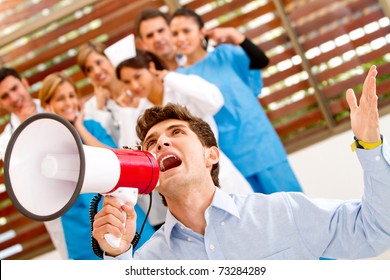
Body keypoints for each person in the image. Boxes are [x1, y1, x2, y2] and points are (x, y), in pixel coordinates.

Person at [92, 65, 390, 260]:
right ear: (150, 173)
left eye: (176, 132)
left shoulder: (283, 213)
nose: (161, 143)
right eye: (151, 144)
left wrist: (371, 146)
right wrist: (117, 258)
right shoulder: (147, 261)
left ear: (212, 155)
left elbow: (375, 230)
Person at [169, 8, 302, 194]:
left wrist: (233, 34)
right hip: (228, 156)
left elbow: (260, 60)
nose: (180, 38)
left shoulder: (225, 55)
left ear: (201, 32)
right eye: (175, 33)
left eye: (186, 31)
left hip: (260, 143)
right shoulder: (179, 78)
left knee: (292, 203)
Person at [37, 72, 155, 259]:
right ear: (47, 105)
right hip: (80, 226)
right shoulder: (42, 141)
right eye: (60, 98)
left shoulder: (91, 127)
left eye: (71, 96)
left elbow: (117, 159)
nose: (68, 103)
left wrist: (80, 128)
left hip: (120, 213)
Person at [115, 49, 253, 196]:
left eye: (138, 76)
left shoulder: (180, 87)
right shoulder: (138, 112)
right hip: (182, 188)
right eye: (127, 82)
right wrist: (125, 112)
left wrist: (168, 77)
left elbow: (215, 101)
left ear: (151, 67)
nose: (134, 86)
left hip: (220, 173)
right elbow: (131, 158)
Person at [77, 41, 141, 147]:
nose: (96, 71)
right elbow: (101, 143)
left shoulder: (135, 89)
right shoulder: (90, 108)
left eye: (99, 62)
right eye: (89, 69)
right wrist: (100, 108)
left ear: (110, 60)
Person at [0, 68, 42, 159]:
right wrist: (25, 129)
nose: (14, 98)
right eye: (4, 96)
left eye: (14, 88)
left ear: (25, 84)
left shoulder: (57, 107)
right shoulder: (4, 143)